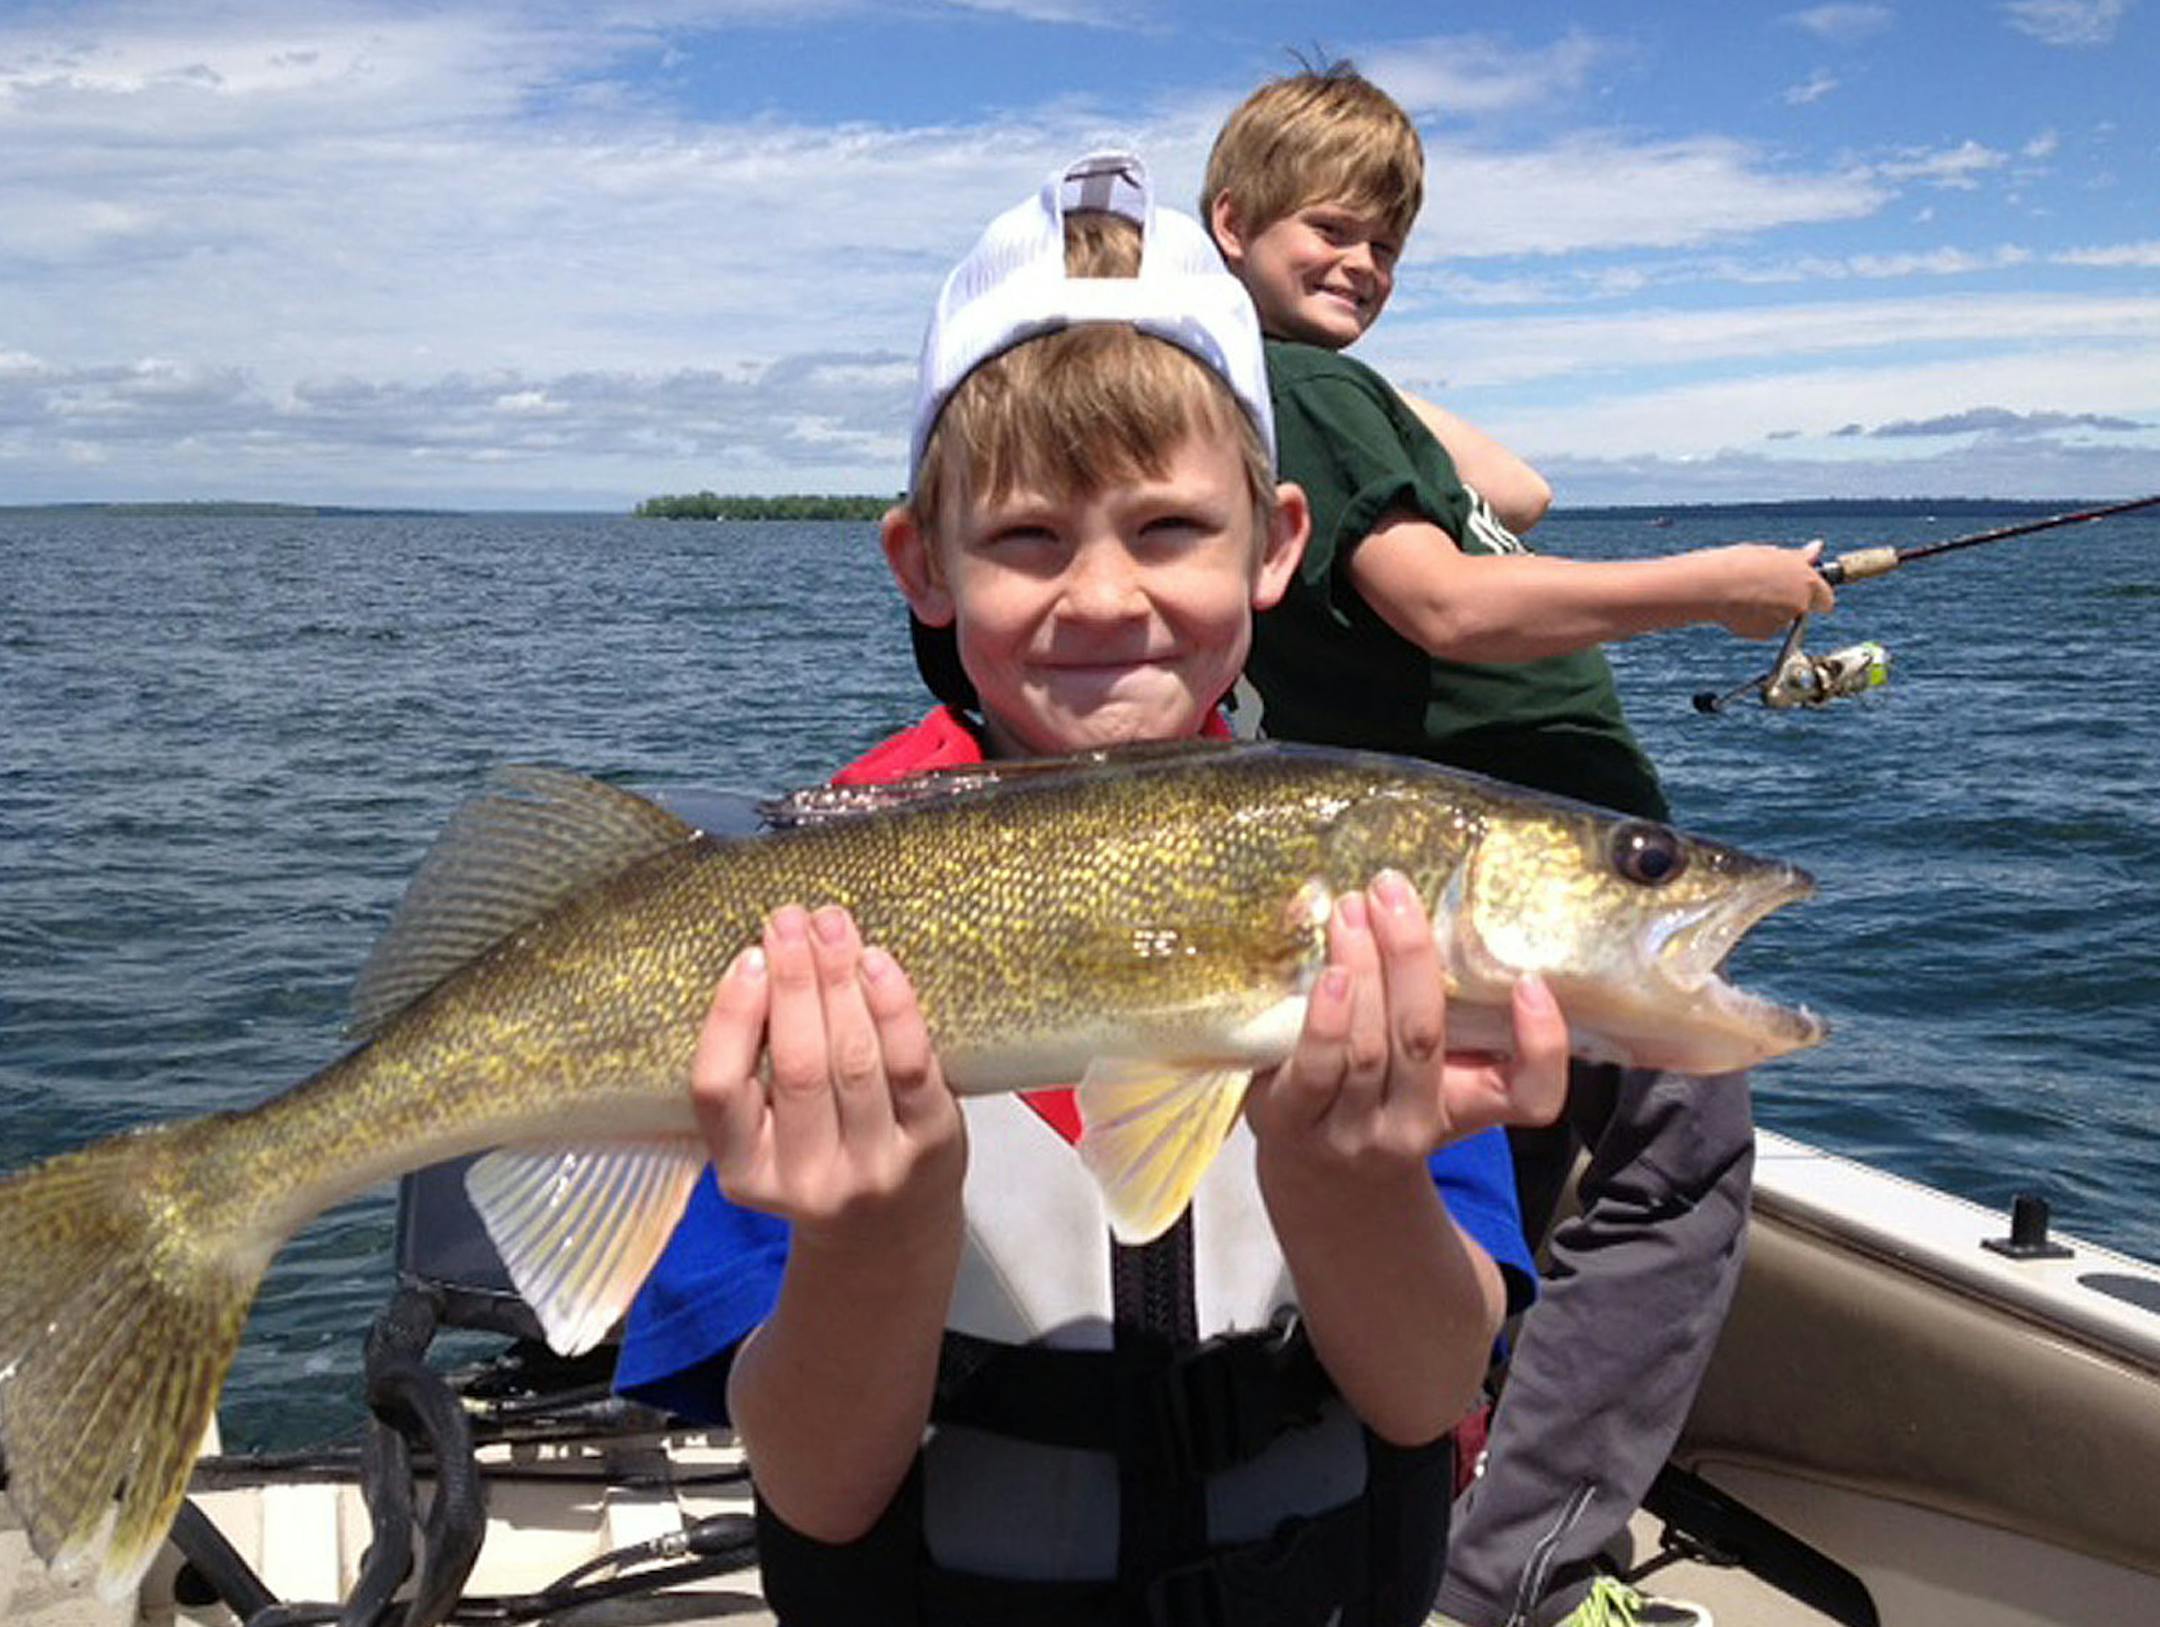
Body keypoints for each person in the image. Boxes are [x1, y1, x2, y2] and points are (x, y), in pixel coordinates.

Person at [615, 151, 1569, 1627]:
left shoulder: (1367, 887)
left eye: (1172, 527)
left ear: (1278, 545)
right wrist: (875, 1234)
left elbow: (1430, 1390)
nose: (1107, 597)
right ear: (922, 565)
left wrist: (1351, 1179)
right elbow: (816, 1485)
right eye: (1026, 539)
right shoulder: (792, 916)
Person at [1200, 64, 1838, 1627]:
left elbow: (1519, 493)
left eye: (1389, 248)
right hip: (1507, 906)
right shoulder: (1309, 402)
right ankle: (1509, 1578)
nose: (1362, 266)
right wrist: (1715, 583)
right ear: (1231, 227)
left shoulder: (1337, 395)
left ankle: (1469, 1527)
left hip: (1531, 905)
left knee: (1525, 1189)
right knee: (1672, 1164)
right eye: (1329, 234)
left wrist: (1322, 337)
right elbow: (1452, 604)